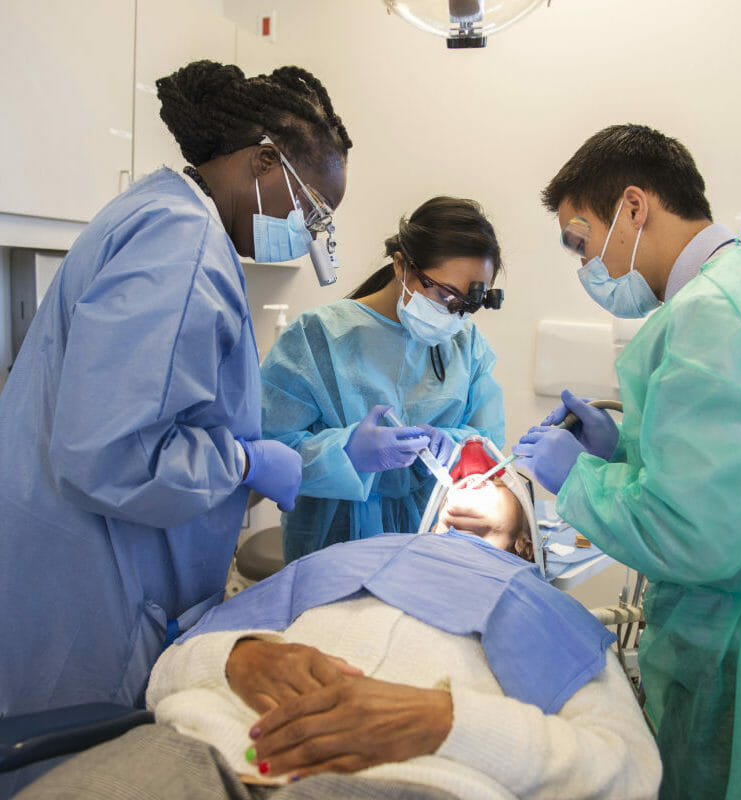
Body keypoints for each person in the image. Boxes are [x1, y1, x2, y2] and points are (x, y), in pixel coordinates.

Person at [0, 59, 351, 795]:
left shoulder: (164, 214)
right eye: (314, 208)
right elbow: (110, 455)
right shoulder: (181, 242)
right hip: (90, 587)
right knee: (68, 774)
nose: (315, 233)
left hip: (77, 559)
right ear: (262, 162)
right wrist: (246, 465)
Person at [512, 123, 741, 799]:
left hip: (739, 652)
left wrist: (578, 477)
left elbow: (697, 535)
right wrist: (626, 453)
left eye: (581, 243)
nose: (588, 269)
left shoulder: (714, 317)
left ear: (635, 208)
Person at [15, 514, 662, 800]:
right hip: (200, 752)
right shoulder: (328, 572)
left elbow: (629, 773)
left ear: (522, 551)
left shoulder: (544, 611)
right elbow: (166, 677)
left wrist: (447, 723)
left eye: (489, 524)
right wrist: (238, 657)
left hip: (409, 783)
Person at [259, 196, 505, 562]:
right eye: (446, 296)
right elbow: (266, 451)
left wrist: (455, 446)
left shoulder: (466, 346)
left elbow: (491, 447)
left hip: (435, 552)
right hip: (334, 552)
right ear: (402, 265)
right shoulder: (319, 337)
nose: (453, 318)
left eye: (465, 307)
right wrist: (346, 453)